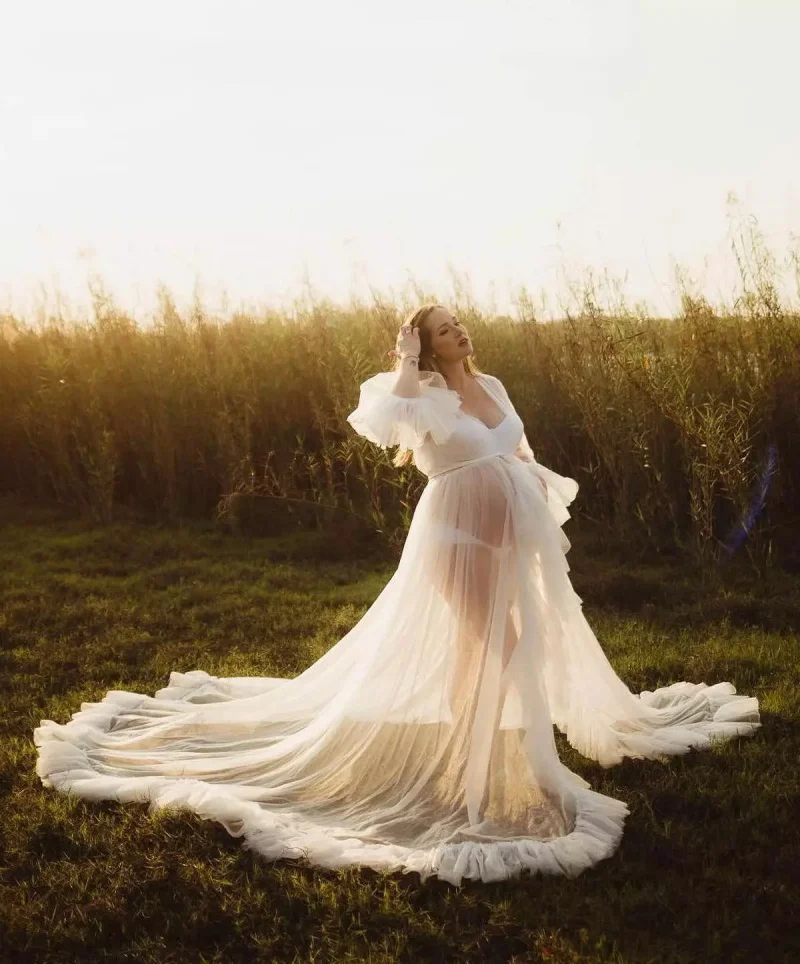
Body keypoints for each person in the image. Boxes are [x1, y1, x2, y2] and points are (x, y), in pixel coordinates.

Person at [33, 303, 761, 886]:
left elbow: (515, 448)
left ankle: (472, 748)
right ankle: (483, 771)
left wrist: (536, 491)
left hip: (511, 528)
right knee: (492, 641)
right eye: (443, 329)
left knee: (508, 636)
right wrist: (407, 362)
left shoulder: (494, 385)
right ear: (425, 342)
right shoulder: (416, 393)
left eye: (458, 325)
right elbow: (391, 420)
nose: (459, 333)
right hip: (454, 532)